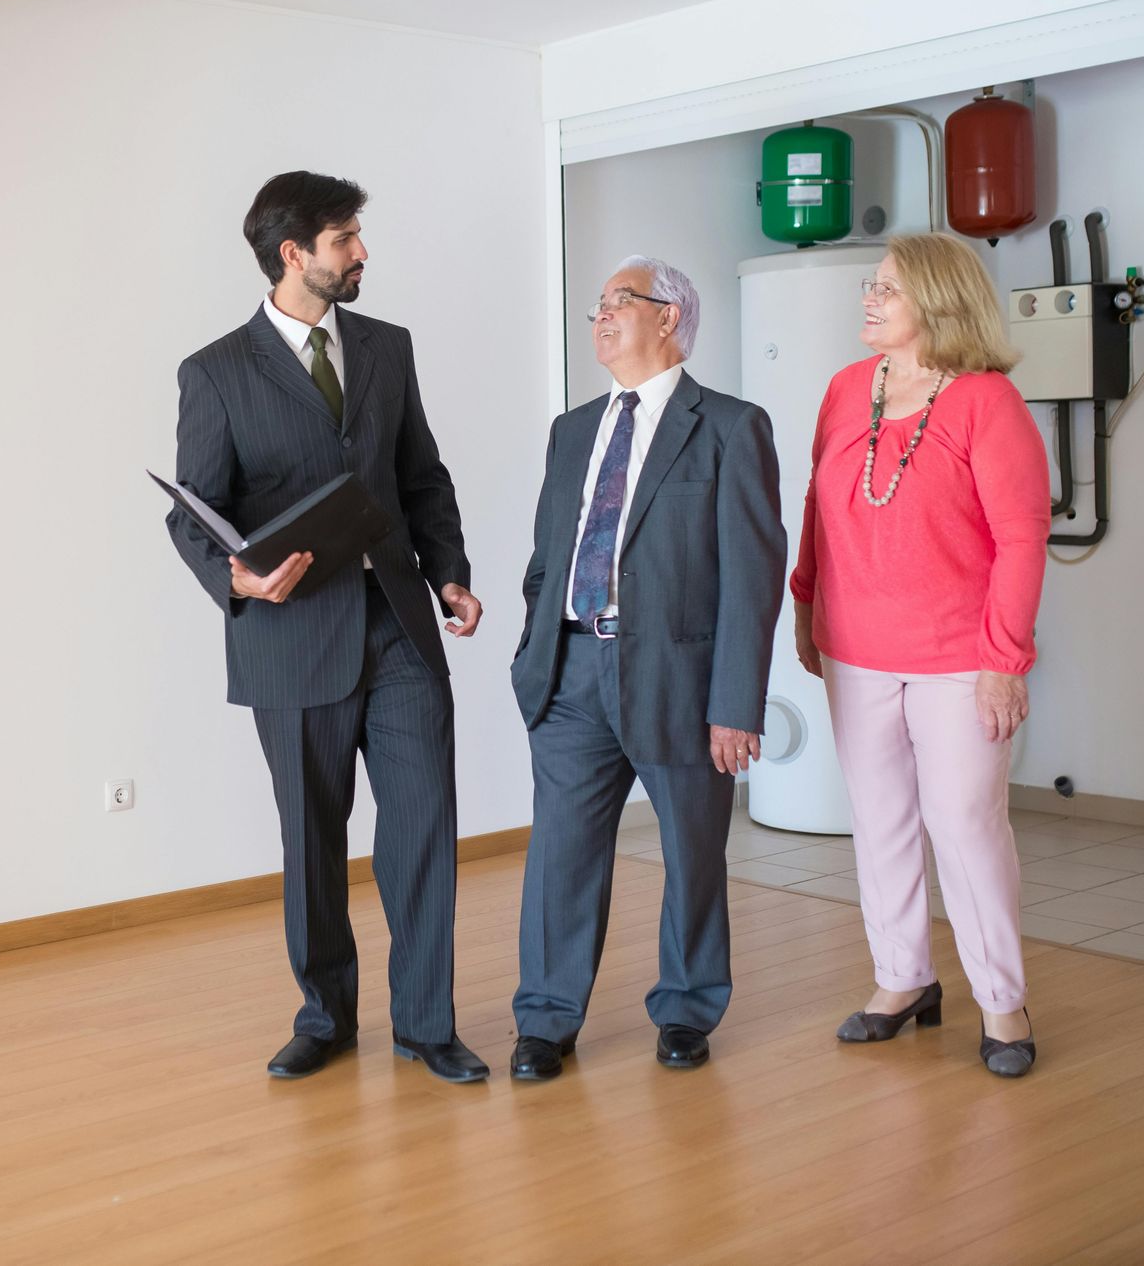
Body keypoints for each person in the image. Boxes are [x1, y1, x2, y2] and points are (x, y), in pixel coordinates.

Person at [165, 172, 488, 1083]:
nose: (362, 254)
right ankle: (325, 1015)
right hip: (293, 634)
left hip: (399, 628)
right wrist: (234, 576)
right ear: (293, 253)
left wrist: (451, 573)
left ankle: (427, 1025)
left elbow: (421, 472)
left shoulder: (388, 347)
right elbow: (195, 511)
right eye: (346, 239)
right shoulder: (216, 371)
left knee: (423, 826)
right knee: (311, 840)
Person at [507, 256, 785, 1082]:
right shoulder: (572, 431)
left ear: (668, 318)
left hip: (682, 680)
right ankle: (546, 1020)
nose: (599, 316)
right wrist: (536, 652)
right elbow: (547, 559)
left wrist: (737, 702)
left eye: (616, 303)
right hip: (572, 675)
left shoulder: (731, 426)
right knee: (560, 855)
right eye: (596, 306)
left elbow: (752, 575)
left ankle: (689, 1008)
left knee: (693, 850)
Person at [790, 231, 1049, 1078]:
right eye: (871, 284)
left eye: (887, 288)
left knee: (967, 825)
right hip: (856, 649)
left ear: (938, 303)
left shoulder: (985, 402)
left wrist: (1005, 658)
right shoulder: (843, 390)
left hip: (958, 657)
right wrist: (804, 602)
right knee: (882, 820)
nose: (868, 297)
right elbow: (817, 506)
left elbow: (1022, 537)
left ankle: (1002, 1003)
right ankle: (902, 980)